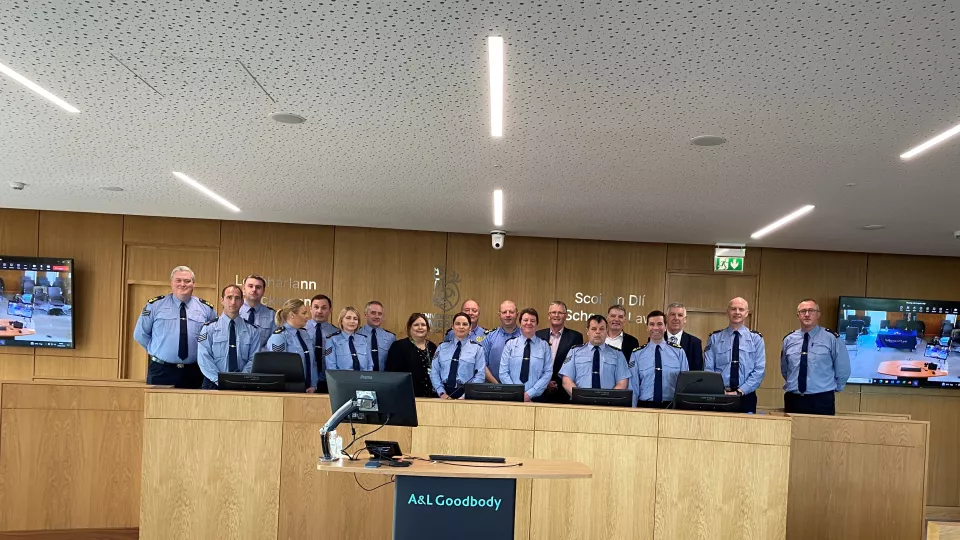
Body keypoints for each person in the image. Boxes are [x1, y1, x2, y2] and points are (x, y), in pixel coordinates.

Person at [134, 265, 216, 388]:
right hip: (161, 371)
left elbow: (213, 338)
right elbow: (140, 334)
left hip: (195, 371)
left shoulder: (206, 308)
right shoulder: (155, 306)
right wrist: (157, 349)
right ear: (171, 283)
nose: (182, 284)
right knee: (159, 407)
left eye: (187, 281)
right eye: (178, 280)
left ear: (193, 284)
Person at [781, 299, 851, 416]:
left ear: (818, 314)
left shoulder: (832, 338)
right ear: (798, 315)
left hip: (822, 399)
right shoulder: (789, 339)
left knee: (822, 434)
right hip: (794, 399)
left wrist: (834, 389)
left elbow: (843, 369)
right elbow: (785, 369)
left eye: (811, 311)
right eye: (803, 311)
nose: (807, 314)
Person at [704, 297, 765, 413]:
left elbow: (759, 370)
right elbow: (708, 370)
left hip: (746, 396)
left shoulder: (756, 339)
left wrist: (741, 391)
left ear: (746, 313)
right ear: (728, 312)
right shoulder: (715, 338)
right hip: (720, 396)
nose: (737, 312)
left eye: (741, 309)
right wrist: (720, 391)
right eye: (733, 309)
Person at [197, 285, 260, 389]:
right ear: (222, 300)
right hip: (213, 383)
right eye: (229, 297)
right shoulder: (209, 328)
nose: (233, 302)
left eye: (237, 298)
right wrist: (220, 380)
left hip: (243, 384)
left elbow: (254, 359)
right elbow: (204, 357)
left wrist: (240, 380)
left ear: (242, 302)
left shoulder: (252, 330)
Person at [629, 310, 689, 408]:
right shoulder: (637, 354)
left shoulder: (679, 352)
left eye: (660, 324)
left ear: (665, 326)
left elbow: (685, 384)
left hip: (671, 407)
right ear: (647, 327)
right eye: (652, 324)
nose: (655, 328)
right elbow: (633, 386)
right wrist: (632, 411)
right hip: (645, 407)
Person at [560, 314, 631, 397]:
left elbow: (622, 383)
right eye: (593, 329)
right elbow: (566, 381)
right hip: (580, 404)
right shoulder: (574, 352)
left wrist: (607, 399)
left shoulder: (618, 354)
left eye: (601, 329)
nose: (598, 332)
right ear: (587, 331)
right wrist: (581, 398)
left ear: (606, 331)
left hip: (608, 405)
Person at [265, 299, 320, 392]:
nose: (307, 316)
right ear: (292, 315)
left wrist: (314, 385)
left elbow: (312, 363)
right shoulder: (279, 336)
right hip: (288, 390)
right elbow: (277, 368)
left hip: (308, 390)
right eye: (304, 313)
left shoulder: (304, 334)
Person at [499, 308, 552, 402]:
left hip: (536, 398)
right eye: (525, 320)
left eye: (532, 321)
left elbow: (547, 373)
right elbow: (503, 373)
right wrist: (516, 393)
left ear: (537, 324)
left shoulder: (544, 346)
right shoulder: (510, 345)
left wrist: (529, 394)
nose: (529, 323)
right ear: (520, 323)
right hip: (512, 397)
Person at [536, 300, 584, 403]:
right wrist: (545, 382)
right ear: (549, 315)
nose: (556, 315)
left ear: (566, 316)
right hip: (539, 390)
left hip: (563, 391)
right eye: (553, 312)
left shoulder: (575, 337)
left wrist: (557, 382)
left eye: (560, 313)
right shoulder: (538, 335)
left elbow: (575, 365)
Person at [430, 312, 487, 398]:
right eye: (457, 324)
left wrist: (466, 396)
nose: (461, 327)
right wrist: (442, 393)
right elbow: (434, 372)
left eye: (465, 324)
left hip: (467, 394)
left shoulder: (478, 349)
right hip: (443, 394)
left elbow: (480, 376)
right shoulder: (442, 347)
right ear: (453, 327)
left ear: (470, 328)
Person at [385, 313, 438, 398]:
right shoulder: (399, 346)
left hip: (431, 396)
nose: (420, 327)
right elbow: (391, 374)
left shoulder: (432, 347)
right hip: (406, 396)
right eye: (416, 325)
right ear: (410, 328)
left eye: (423, 325)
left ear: (427, 328)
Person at [481, 300, 521, 382]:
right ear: (499, 315)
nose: (508, 315)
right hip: (494, 387)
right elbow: (482, 364)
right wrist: (497, 385)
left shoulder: (525, 336)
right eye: (504, 312)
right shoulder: (489, 337)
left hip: (520, 387)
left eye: (511, 312)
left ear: (517, 314)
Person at [325, 307, 373, 371]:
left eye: (355, 319)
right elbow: (331, 367)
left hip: (363, 379)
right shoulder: (332, 340)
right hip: (342, 379)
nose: (352, 321)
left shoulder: (363, 339)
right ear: (341, 320)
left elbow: (370, 365)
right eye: (348, 318)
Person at [306, 294, 337, 392]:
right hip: (306, 380)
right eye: (316, 307)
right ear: (310, 309)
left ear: (330, 310)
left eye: (324, 308)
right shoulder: (301, 329)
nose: (319, 311)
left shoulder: (336, 333)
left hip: (328, 382)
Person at [238, 274, 275, 349]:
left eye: (258, 287)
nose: (254, 289)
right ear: (243, 289)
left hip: (261, 359)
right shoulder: (234, 310)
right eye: (250, 286)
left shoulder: (272, 315)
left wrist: (257, 356)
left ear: (263, 291)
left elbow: (273, 343)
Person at [665, 302, 704, 371]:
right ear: (666, 318)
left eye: (680, 315)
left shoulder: (695, 343)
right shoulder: (656, 340)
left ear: (685, 319)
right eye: (672, 314)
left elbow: (697, 373)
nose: (676, 318)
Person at [360, 300, 395, 371]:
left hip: (383, 378)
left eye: (380, 314)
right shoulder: (357, 334)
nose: (377, 316)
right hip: (362, 378)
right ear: (365, 314)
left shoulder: (390, 337)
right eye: (373, 313)